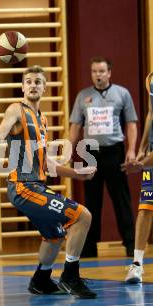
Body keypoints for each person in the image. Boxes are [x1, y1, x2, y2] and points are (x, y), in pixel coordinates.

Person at [0, 65, 97, 299]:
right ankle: (70, 276)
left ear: (45, 88)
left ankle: (41, 280)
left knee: (55, 236)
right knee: (83, 216)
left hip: (36, 186)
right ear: (22, 87)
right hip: (23, 186)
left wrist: (77, 174)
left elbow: (47, 163)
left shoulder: (42, 118)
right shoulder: (15, 109)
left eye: (38, 82)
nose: (33, 85)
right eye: (29, 81)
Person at [69, 56, 137, 258]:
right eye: (94, 71)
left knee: (121, 200)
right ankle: (89, 248)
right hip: (89, 152)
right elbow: (75, 126)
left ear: (109, 73)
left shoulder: (122, 94)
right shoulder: (83, 96)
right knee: (91, 202)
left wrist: (131, 150)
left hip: (114, 151)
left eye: (101, 71)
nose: (97, 75)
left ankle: (131, 245)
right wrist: (67, 150)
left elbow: (131, 124)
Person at [122, 72, 153, 283]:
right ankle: (137, 263)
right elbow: (152, 113)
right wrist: (142, 148)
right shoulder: (151, 78)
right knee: (146, 205)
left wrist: (144, 162)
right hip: (151, 152)